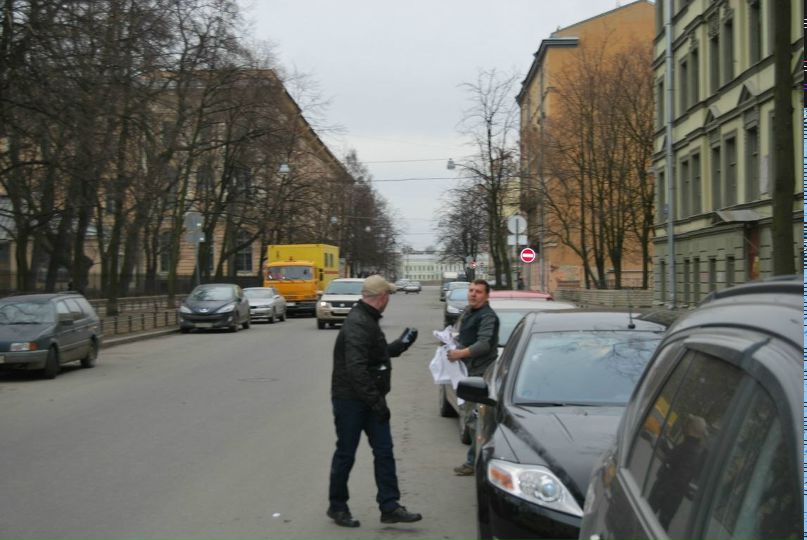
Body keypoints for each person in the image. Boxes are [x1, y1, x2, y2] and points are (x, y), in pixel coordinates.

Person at [327, 275, 422, 528]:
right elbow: (356, 369)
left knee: (384, 451)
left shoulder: (367, 319)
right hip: (351, 400)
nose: (389, 299)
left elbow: (374, 356)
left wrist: (400, 345)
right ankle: (337, 506)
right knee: (346, 453)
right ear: (382, 298)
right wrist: (376, 403)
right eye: (388, 295)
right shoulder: (358, 323)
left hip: (367, 398)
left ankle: (390, 506)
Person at [446, 279, 499, 476]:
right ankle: (474, 461)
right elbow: (462, 335)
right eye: (471, 290)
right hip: (467, 372)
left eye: (478, 291)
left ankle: (479, 462)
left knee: (475, 419)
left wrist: (460, 354)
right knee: (471, 418)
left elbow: (484, 344)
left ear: (486, 296)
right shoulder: (469, 312)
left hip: (480, 375)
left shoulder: (488, 317)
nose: (473, 294)